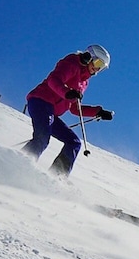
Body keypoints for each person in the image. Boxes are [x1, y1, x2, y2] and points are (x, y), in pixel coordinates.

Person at [21, 45, 113, 175]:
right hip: (40, 101)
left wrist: (97, 112)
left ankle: (56, 176)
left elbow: (75, 109)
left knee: (74, 142)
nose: (97, 68)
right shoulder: (72, 63)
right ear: (89, 56)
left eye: (102, 67)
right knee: (42, 138)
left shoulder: (84, 82)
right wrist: (67, 92)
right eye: (98, 62)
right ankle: (19, 163)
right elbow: (53, 80)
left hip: (51, 112)